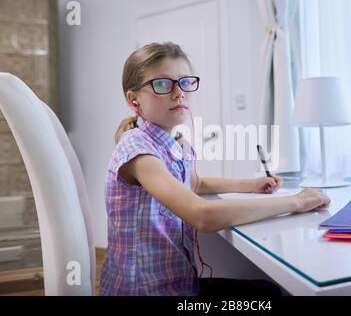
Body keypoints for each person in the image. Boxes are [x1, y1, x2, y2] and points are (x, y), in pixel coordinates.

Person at [99, 42, 331, 296]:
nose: (179, 93)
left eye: (185, 82)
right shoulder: (137, 149)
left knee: (267, 290)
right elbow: (203, 215)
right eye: (163, 84)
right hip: (147, 291)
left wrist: (249, 185)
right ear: (134, 100)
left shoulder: (166, 141)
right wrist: (296, 202)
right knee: (268, 295)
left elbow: (191, 182)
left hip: (177, 283)